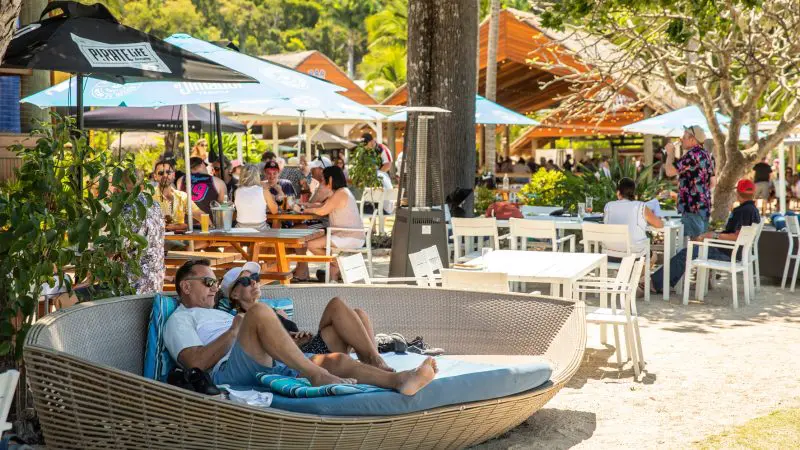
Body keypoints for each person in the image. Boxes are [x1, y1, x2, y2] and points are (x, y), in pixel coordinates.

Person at [163, 260, 437, 392]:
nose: (214, 289)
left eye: (215, 283)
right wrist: (234, 330)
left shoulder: (219, 313)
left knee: (337, 359)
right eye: (208, 283)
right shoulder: (180, 319)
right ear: (186, 287)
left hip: (261, 359)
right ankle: (315, 374)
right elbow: (195, 363)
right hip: (226, 372)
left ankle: (398, 380)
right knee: (259, 311)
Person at [220, 263, 392, 371]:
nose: (253, 282)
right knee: (336, 304)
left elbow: (287, 335)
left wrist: (301, 335)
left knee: (359, 314)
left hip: (308, 346)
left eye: (255, 278)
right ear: (234, 295)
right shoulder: (240, 319)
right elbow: (262, 351)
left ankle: (373, 360)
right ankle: (374, 360)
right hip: (300, 359)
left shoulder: (275, 311)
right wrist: (292, 341)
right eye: (244, 281)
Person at [650, 179, 759, 293]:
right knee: (693, 248)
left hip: (728, 252)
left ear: (738, 193)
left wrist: (714, 236)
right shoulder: (753, 210)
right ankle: (664, 283)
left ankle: (654, 283)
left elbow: (737, 237)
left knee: (686, 253)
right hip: (734, 251)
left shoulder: (743, 211)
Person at [292, 166, 365, 282]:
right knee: (311, 243)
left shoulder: (341, 193)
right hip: (345, 234)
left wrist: (303, 210)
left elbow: (322, 211)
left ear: (330, 180)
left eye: (323, 179)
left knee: (311, 245)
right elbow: (321, 205)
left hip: (349, 236)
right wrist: (305, 205)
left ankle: (336, 265)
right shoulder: (340, 192)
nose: (322, 182)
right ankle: (335, 268)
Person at [663, 125, 715, 238]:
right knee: (701, 242)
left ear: (692, 139)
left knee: (693, 243)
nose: (681, 139)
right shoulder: (706, 155)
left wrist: (670, 153)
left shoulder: (692, 155)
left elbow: (669, 171)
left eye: (684, 137)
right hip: (703, 206)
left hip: (692, 207)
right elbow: (713, 182)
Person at [122, 172, 165, 295]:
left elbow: (122, 244)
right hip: (156, 274)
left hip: (135, 278)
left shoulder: (128, 207)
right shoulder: (155, 204)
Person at [604, 178, 664, 257]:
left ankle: (627, 269)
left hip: (611, 254)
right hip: (634, 255)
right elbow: (659, 225)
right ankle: (636, 269)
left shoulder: (608, 206)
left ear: (618, 192)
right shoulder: (640, 206)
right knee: (653, 256)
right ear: (633, 193)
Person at [152, 159, 203, 230]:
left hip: (180, 240)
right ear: (155, 177)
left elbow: (201, 216)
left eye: (168, 172)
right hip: (156, 239)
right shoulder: (148, 196)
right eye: (161, 173)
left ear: (173, 175)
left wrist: (210, 225)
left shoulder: (182, 197)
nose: (165, 175)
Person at [234, 164, 278, 231]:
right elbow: (274, 211)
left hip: (240, 230)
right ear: (257, 176)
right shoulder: (264, 191)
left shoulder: (237, 191)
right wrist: (272, 198)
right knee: (277, 224)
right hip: (260, 231)